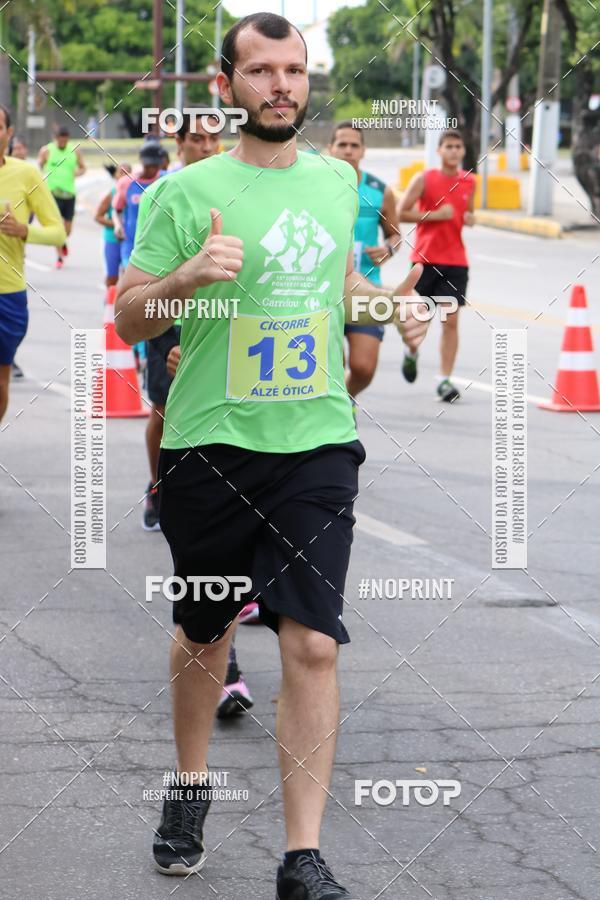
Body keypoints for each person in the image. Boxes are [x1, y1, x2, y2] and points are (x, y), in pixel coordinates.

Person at [115, 13, 428, 897]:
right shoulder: (186, 192)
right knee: (206, 629)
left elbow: (339, 286)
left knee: (314, 644)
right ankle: (188, 785)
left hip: (316, 442)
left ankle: (303, 856)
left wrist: (386, 309)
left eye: (293, 70)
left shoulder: (337, 183)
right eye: (261, 72)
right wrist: (184, 282)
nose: (281, 85)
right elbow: (131, 315)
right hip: (211, 444)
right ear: (228, 85)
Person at [135, 115, 255, 717]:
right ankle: (160, 483)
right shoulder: (166, 194)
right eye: (194, 138)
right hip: (175, 330)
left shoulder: (254, 185)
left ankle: (245, 606)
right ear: (181, 144)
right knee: (163, 408)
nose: (203, 145)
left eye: (212, 137)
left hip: (244, 371)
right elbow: (141, 294)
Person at [398, 128, 476, 402]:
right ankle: (411, 352)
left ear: (463, 151)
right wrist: (435, 215)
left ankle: (444, 380)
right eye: (449, 147)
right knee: (421, 319)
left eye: (458, 146)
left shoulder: (470, 182)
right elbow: (401, 212)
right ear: (439, 151)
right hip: (424, 260)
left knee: (451, 321)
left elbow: (468, 212)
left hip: (455, 261)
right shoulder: (424, 179)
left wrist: (469, 218)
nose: (454, 151)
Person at [328, 121, 402, 402]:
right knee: (334, 366)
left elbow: (395, 235)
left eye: (354, 145)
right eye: (342, 145)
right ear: (330, 149)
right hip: (325, 291)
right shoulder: (316, 189)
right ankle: (336, 414)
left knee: (363, 367)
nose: (348, 151)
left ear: (363, 150)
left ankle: (346, 402)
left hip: (366, 288)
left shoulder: (379, 190)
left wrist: (388, 249)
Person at [0, 105, 66, 422]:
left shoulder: (26, 174)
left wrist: (23, 230)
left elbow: (57, 233)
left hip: (7, 293)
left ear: (9, 133)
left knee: (1, 381)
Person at [38, 125, 86, 269]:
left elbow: (83, 167)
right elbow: (39, 165)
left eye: (65, 139)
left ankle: (63, 241)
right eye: (60, 139)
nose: (62, 142)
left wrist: (78, 173)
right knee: (57, 225)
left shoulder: (75, 150)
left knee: (68, 228)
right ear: (55, 138)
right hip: (53, 193)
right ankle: (59, 256)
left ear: (68, 138)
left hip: (69, 193)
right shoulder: (47, 150)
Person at [94, 162, 132, 291]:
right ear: (115, 175)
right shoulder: (111, 194)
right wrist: (117, 225)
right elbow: (97, 216)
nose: (124, 176)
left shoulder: (136, 193)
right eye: (121, 172)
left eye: (127, 173)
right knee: (112, 279)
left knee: (128, 278)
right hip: (112, 240)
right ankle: (109, 306)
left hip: (130, 240)